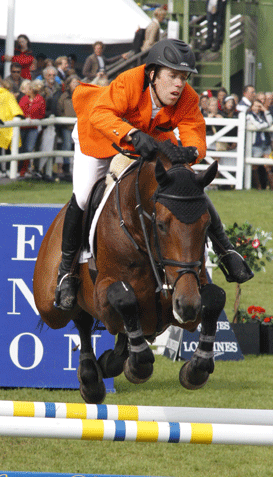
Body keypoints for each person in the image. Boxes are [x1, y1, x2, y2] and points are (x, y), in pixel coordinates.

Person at [54, 38, 253, 310]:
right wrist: (131, 134)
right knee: (85, 193)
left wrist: (192, 153)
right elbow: (101, 114)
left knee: (186, 185)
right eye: (172, 76)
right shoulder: (129, 82)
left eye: (183, 77)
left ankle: (226, 250)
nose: (178, 84)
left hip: (148, 140)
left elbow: (194, 129)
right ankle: (66, 271)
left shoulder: (187, 97)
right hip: (100, 136)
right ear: (152, 74)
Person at [0, 77, 24, 178]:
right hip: (8, 127)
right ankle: (9, 169)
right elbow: (16, 110)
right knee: (11, 150)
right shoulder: (8, 95)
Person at [246, 99, 273, 190]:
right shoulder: (249, 115)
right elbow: (259, 126)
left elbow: (270, 121)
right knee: (255, 166)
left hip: (266, 143)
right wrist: (266, 124)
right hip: (256, 144)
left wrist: (265, 110)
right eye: (256, 106)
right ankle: (258, 186)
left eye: (259, 106)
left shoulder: (262, 115)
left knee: (268, 165)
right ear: (252, 107)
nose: (257, 108)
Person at [18, 79, 46, 177]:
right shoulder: (24, 99)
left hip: (33, 127)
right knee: (20, 148)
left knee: (29, 149)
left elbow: (42, 114)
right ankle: (18, 170)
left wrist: (33, 118)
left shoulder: (40, 100)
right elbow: (19, 110)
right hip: (22, 127)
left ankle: (24, 170)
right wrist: (26, 117)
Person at [56, 75, 80, 180]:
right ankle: (66, 168)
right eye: (73, 83)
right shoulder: (64, 96)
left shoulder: (81, 95)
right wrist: (64, 119)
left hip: (78, 125)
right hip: (67, 126)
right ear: (69, 84)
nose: (75, 85)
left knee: (77, 147)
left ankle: (75, 168)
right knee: (66, 145)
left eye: (77, 82)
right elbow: (59, 109)